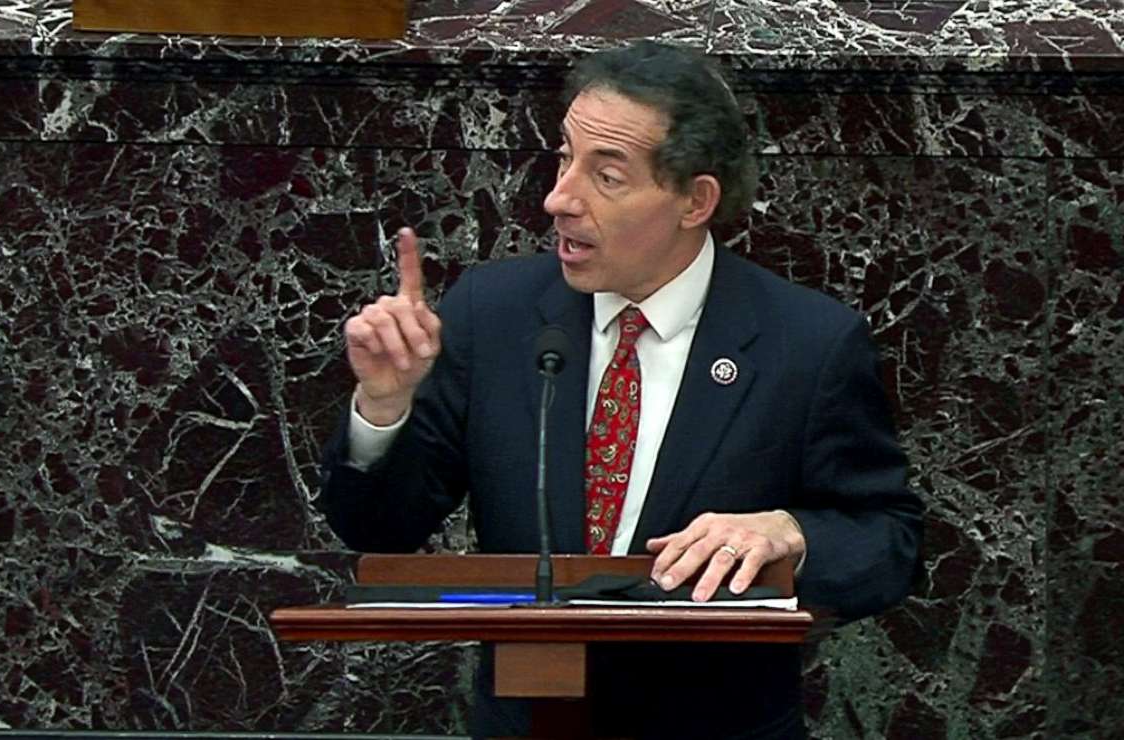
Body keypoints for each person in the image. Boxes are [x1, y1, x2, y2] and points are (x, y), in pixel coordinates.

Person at [322, 40, 922, 739]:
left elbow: (889, 539)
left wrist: (790, 532)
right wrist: (384, 408)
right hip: (530, 722)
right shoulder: (494, 314)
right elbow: (377, 529)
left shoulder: (807, 343)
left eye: (606, 176)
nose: (558, 199)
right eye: (563, 156)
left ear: (695, 200)